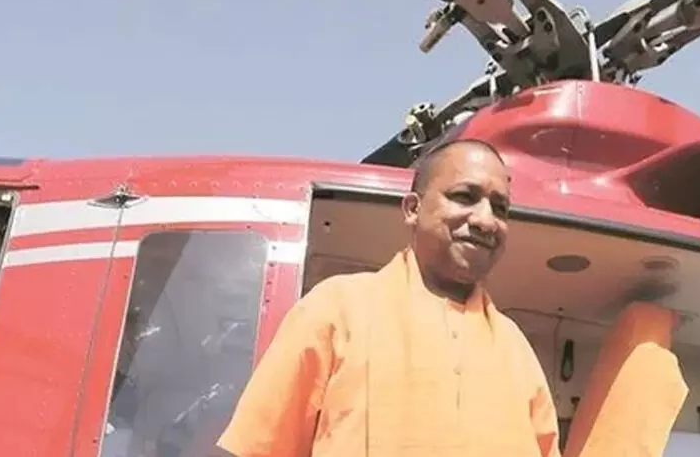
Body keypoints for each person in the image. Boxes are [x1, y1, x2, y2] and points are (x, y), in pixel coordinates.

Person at [214, 139, 561, 457]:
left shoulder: (516, 350)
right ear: (412, 209)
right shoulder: (337, 309)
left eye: (500, 208)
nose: (486, 220)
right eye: (464, 196)